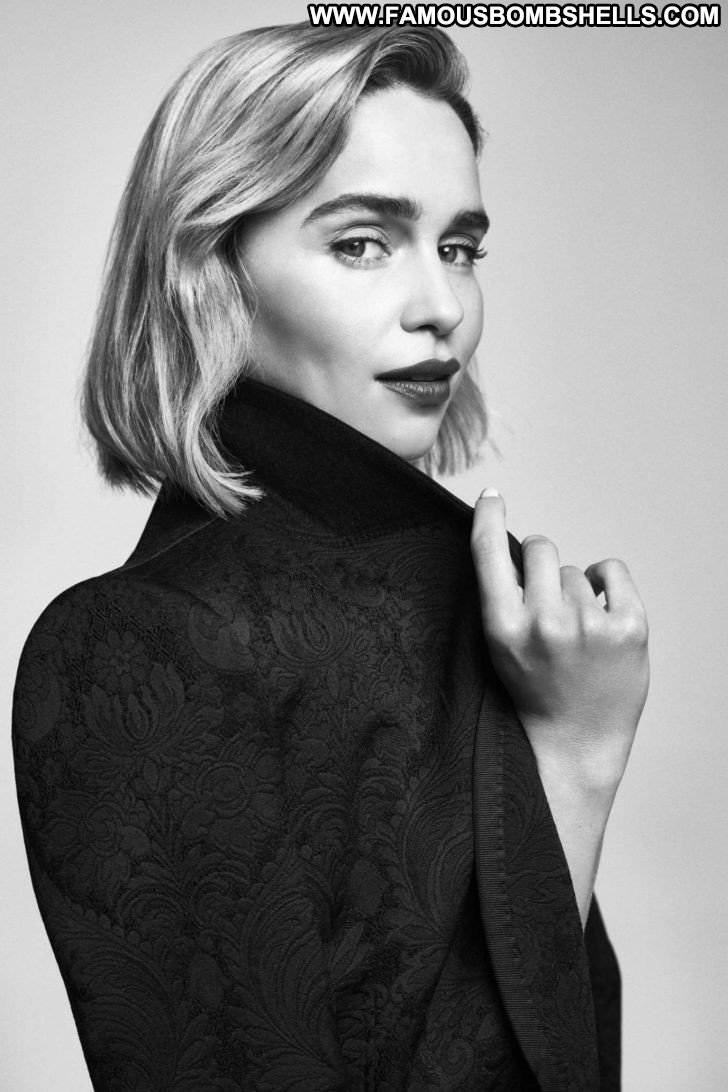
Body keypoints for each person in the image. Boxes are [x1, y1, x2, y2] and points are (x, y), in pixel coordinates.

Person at [12, 21, 648, 1092]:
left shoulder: (499, 616)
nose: (442, 307)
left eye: (459, 248)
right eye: (362, 243)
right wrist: (577, 761)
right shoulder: (135, 646)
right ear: (210, 268)